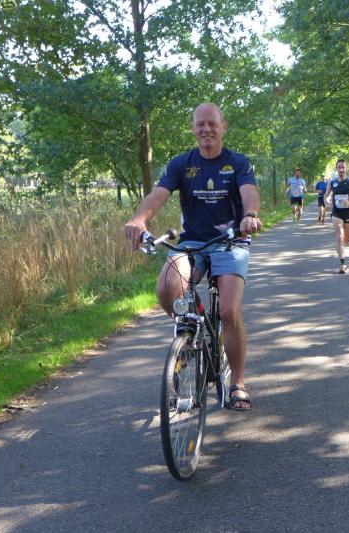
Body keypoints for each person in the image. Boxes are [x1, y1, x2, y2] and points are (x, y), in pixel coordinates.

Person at [124, 103, 262, 411]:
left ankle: (237, 383)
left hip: (230, 241)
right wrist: (138, 220)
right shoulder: (181, 164)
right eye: (200, 124)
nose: (206, 129)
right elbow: (158, 195)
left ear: (224, 127)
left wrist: (250, 214)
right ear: (193, 129)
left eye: (212, 123)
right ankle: (191, 330)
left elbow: (249, 192)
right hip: (192, 242)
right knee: (166, 288)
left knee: (228, 311)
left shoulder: (238, 162)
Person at [323, 159, 349, 273]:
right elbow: (326, 196)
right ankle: (342, 264)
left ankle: (343, 245)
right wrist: (327, 202)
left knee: (348, 240)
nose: (341, 169)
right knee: (339, 236)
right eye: (339, 167)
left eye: (343, 167)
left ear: (346, 168)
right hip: (337, 213)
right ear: (336, 169)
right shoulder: (332, 182)